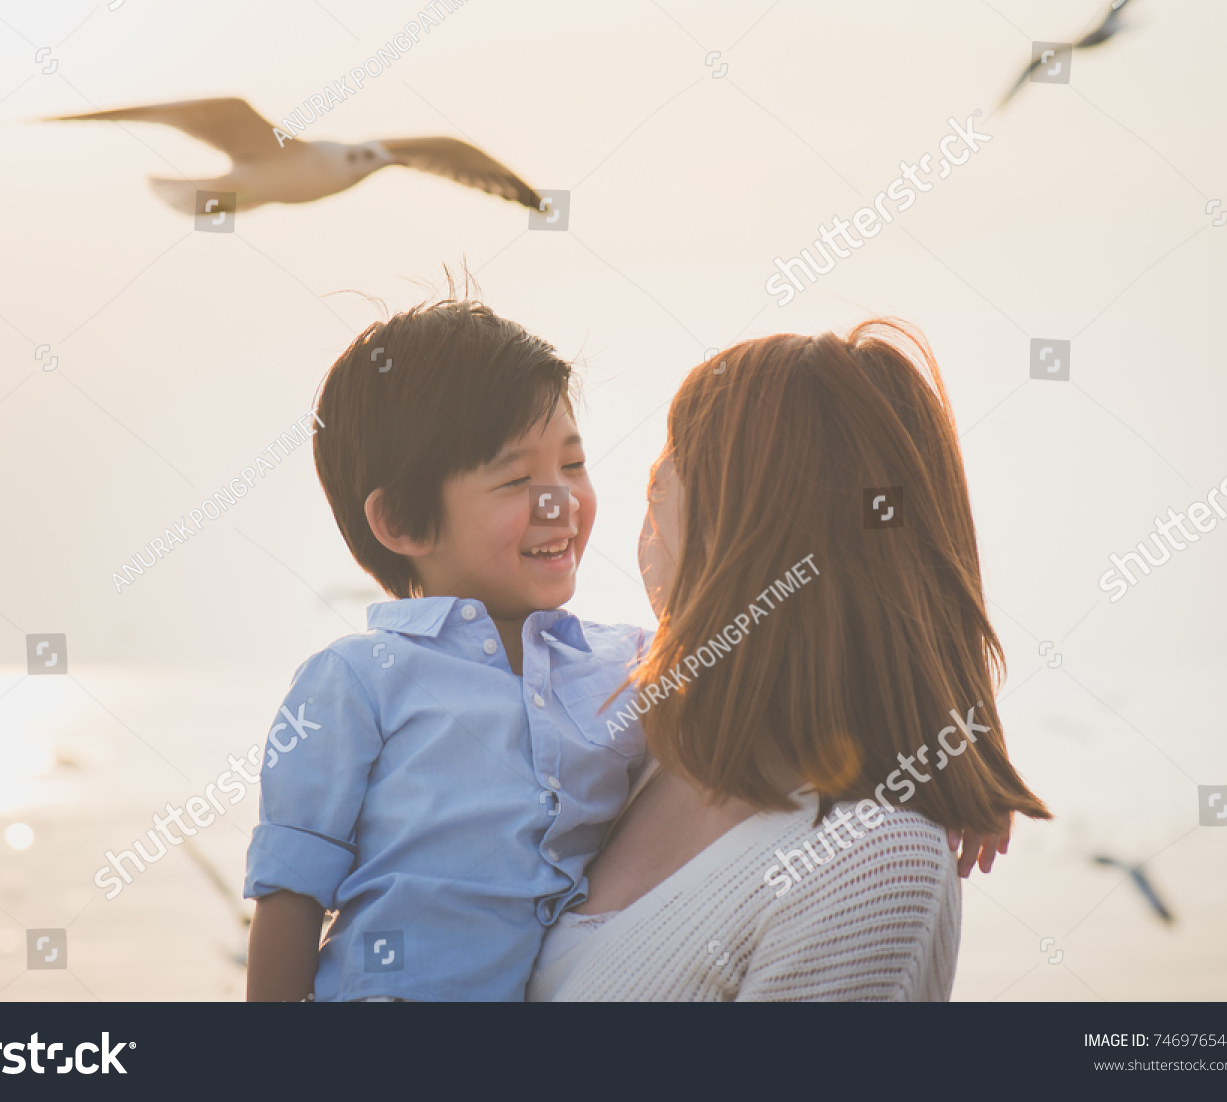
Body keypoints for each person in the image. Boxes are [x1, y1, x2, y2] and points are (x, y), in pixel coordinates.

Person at [528, 322, 1049, 1001]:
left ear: (752, 530)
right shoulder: (633, 745)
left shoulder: (873, 863)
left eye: (678, 461)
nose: (653, 484)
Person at [242, 296, 652, 1002]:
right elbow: (290, 893)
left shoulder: (631, 666)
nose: (559, 502)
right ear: (403, 521)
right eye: (516, 480)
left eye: (573, 464)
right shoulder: (359, 681)